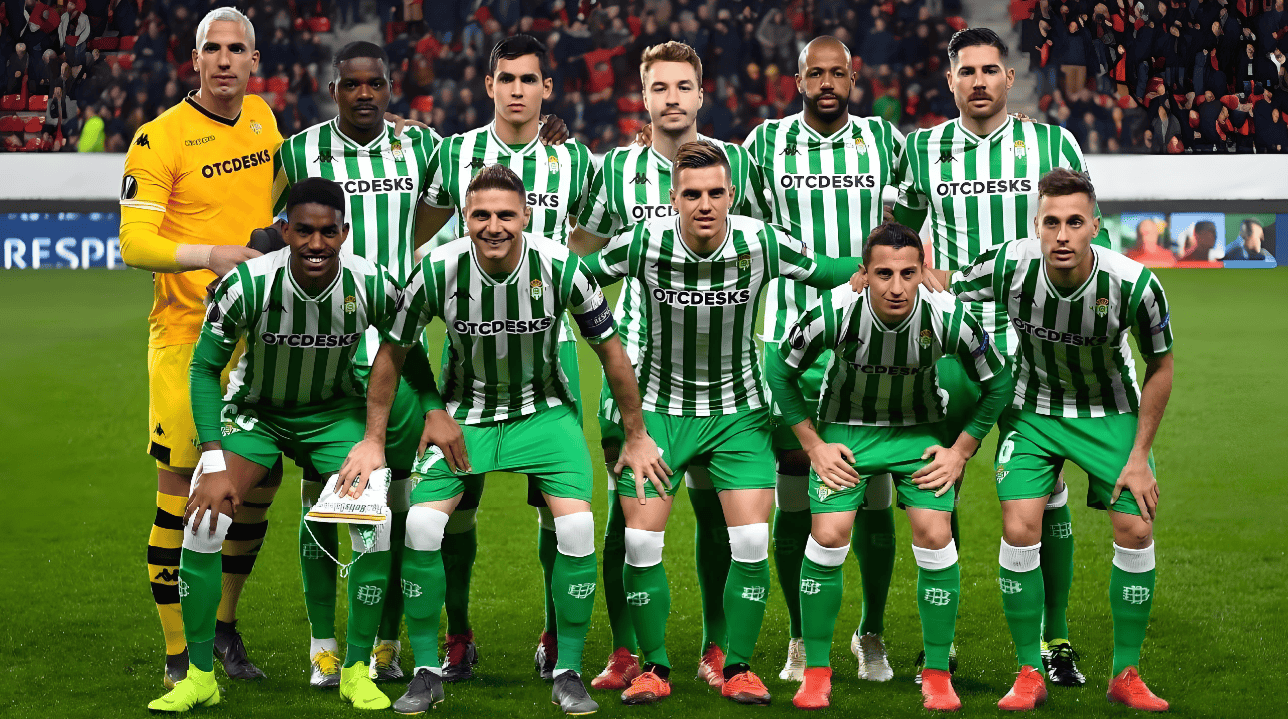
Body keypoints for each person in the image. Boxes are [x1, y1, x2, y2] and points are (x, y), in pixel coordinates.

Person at [345, 163, 667, 715]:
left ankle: (567, 670)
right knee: (421, 525)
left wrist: (635, 434)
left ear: (526, 216)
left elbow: (612, 353)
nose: (493, 226)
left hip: (544, 413)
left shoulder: (561, 267)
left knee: (576, 527)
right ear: (464, 218)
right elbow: (392, 356)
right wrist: (378, 438)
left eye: (505, 215)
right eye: (480, 215)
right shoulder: (436, 271)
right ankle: (426, 672)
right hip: (465, 415)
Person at [581, 140, 860, 706]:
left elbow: (829, 271)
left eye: (715, 193)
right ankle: (654, 667)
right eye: (692, 194)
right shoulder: (643, 241)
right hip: (658, 415)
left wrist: (892, 269)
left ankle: (737, 666)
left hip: (738, 413)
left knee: (751, 541)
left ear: (731, 194)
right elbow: (572, 276)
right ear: (673, 198)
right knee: (640, 544)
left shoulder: (761, 241)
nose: (704, 204)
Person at [895, 27, 1110, 685]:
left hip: (1037, 344)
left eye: (990, 69)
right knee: (939, 484)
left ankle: (1055, 638)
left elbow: (1086, 231)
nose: (980, 81)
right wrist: (919, 268)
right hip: (952, 343)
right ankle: (942, 646)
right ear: (951, 80)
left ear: (1009, 77)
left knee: (1046, 493)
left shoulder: (1053, 144)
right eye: (967, 71)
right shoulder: (922, 148)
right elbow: (899, 232)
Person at [149, 178, 407, 712]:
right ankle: (199, 676)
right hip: (257, 415)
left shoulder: (373, 283)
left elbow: (403, 351)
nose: (316, 243)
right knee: (203, 522)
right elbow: (203, 369)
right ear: (284, 230)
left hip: (334, 414)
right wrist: (213, 459)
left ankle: (355, 671)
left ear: (344, 232)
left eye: (328, 232)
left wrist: (401, 426)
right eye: (304, 230)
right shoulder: (247, 284)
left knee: (373, 525)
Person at [567, 40, 772, 691]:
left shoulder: (734, 163)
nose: (673, 98)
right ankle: (628, 651)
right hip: (637, 374)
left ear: (701, 94)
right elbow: (581, 248)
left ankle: (719, 646)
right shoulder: (615, 169)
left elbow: (757, 243)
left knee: (720, 514)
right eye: (660, 87)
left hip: (724, 379)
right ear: (644, 95)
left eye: (684, 86)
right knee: (625, 520)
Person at [929, 168, 1173, 712]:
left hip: (1109, 411)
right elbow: (945, 282)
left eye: (1075, 223)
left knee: (1136, 528)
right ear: (1036, 226)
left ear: (1096, 227)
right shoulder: (1009, 265)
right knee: (1019, 527)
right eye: (1051, 223)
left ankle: (1126, 673)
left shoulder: (1134, 285)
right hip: (1034, 409)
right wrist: (894, 273)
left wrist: (1138, 456)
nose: (1062, 235)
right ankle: (1029, 672)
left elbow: (1161, 366)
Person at [768, 223, 1013, 711]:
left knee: (935, 534)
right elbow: (780, 370)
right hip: (847, 431)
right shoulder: (834, 312)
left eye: (908, 273)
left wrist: (960, 451)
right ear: (864, 273)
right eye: (883, 274)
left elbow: (998, 382)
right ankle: (816, 672)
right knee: (830, 534)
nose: (896, 287)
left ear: (923, 272)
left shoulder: (949, 316)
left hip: (918, 432)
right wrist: (813, 445)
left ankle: (937, 674)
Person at [416, 34, 594, 682]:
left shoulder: (573, 158)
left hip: (551, 352)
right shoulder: (454, 152)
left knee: (558, 507)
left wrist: (559, 271)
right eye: (507, 78)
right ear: (489, 84)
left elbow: (594, 230)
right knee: (455, 503)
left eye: (529, 79)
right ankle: (457, 635)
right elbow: (420, 227)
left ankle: (553, 632)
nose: (518, 89)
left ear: (547, 88)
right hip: (470, 348)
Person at [118, 7, 283, 689]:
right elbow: (135, 243)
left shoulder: (263, 121)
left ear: (253, 61)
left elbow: (289, 190)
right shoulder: (159, 138)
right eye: (211, 48)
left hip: (260, 339)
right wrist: (210, 253)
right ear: (194, 60)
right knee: (181, 496)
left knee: (258, 488)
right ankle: (179, 653)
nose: (223, 59)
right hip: (188, 341)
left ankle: (223, 625)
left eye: (235, 49)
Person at [270, 41, 441, 688]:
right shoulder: (298, 152)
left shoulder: (420, 147)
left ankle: (384, 645)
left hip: (399, 349)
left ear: (391, 88)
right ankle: (322, 645)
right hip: (322, 353)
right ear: (333, 89)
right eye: (352, 84)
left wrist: (552, 128)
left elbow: (463, 185)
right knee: (320, 503)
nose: (364, 94)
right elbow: (274, 231)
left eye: (376, 84)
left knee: (393, 506)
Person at [741, 35, 907, 684]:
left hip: (872, 341)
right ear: (799, 80)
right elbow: (735, 215)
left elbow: (921, 202)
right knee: (793, 492)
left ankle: (872, 631)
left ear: (854, 79)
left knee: (874, 490)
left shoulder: (883, 139)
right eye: (817, 74)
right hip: (789, 340)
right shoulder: (765, 143)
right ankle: (800, 635)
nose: (828, 83)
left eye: (838, 73)